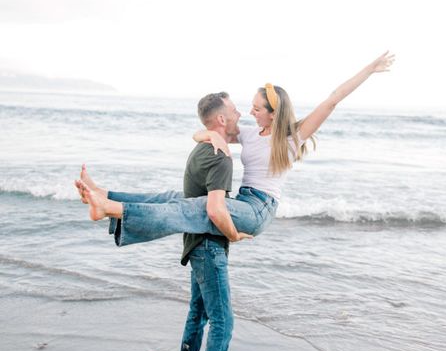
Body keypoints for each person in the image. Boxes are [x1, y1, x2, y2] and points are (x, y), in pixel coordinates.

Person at [76, 52, 395, 244]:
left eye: (257, 108)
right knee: (176, 198)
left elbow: (333, 98)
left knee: (196, 208)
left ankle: (111, 210)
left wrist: (370, 68)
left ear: (273, 112)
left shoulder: (291, 138)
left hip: (259, 210)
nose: (250, 111)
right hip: (242, 201)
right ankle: (106, 195)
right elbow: (200, 131)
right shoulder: (249, 132)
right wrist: (211, 137)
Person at [177, 92, 249, 351]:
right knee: (223, 319)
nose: (239, 113)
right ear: (221, 119)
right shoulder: (221, 157)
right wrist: (235, 234)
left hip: (195, 244)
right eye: (234, 110)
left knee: (199, 309)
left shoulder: (203, 147)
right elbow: (216, 209)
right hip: (208, 245)